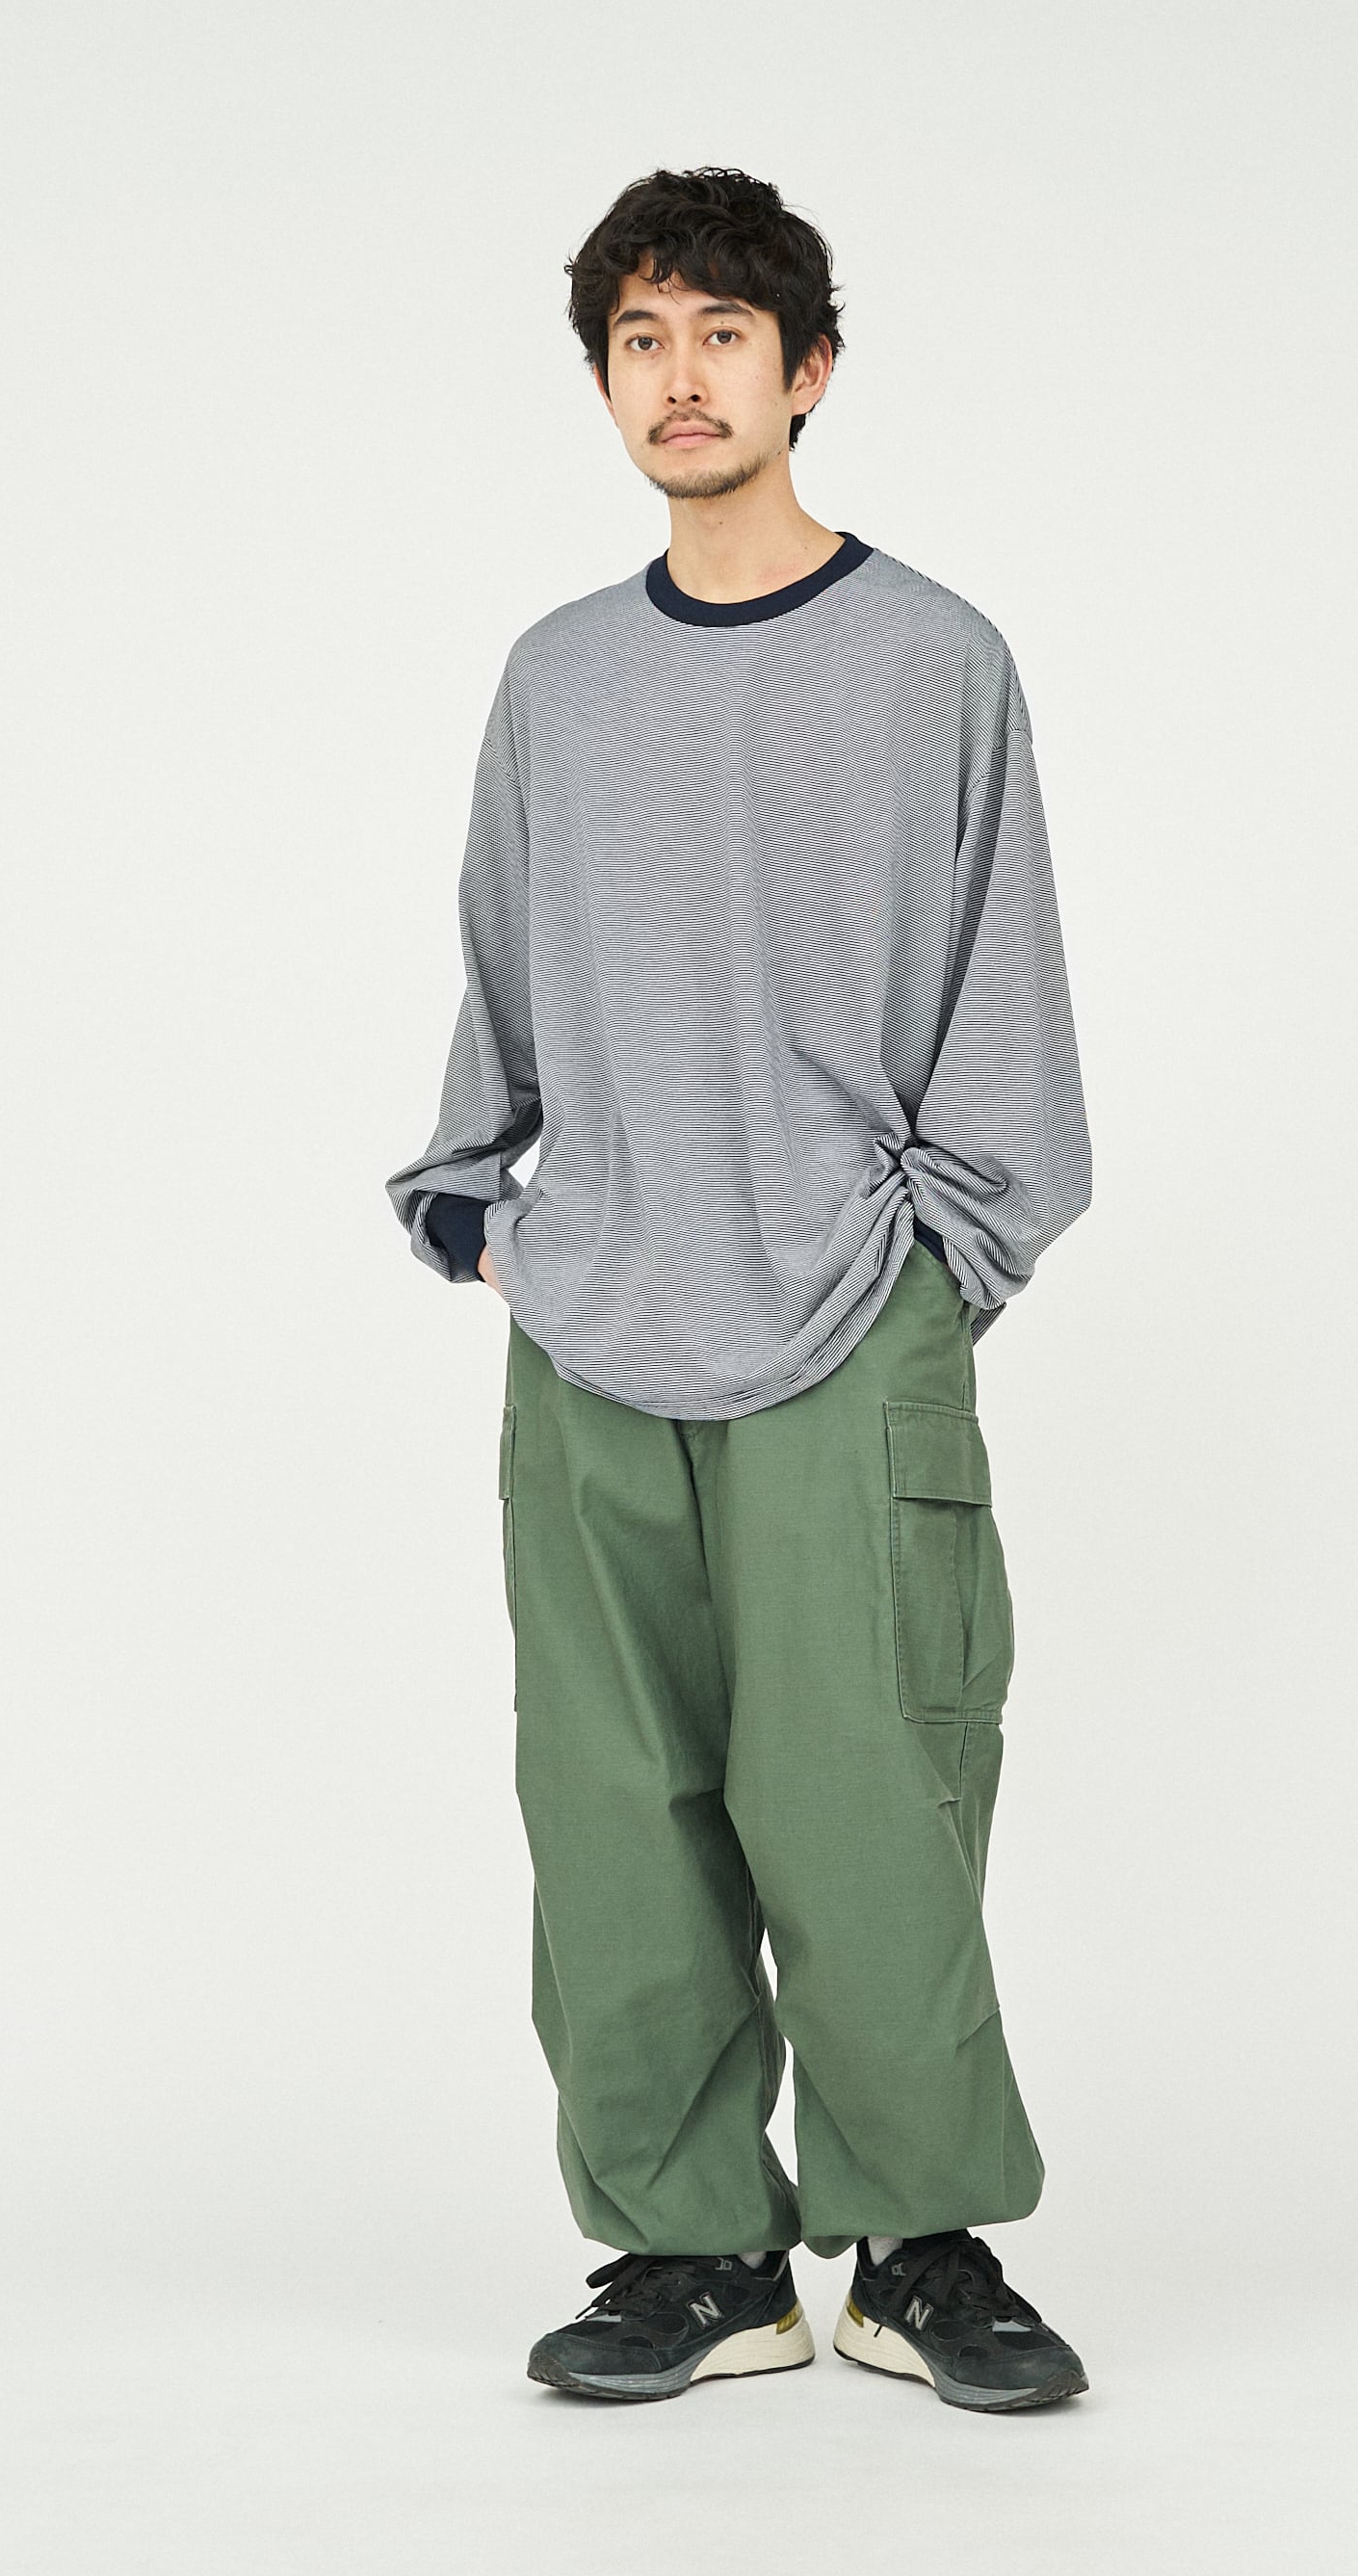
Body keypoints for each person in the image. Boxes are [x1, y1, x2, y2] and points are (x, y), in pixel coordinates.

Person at [386, 167, 1094, 2411]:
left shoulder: (932, 659)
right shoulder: (558, 678)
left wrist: (935, 1258)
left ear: (806, 370)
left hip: (841, 1307)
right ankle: (694, 2256)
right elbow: (503, 959)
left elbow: (999, 996)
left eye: (719, 335)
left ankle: (916, 2246)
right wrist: (481, 1205)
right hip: (592, 1317)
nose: (676, 378)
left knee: (865, 1782)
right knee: (609, 1802)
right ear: (604, 381)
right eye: (637, 340)